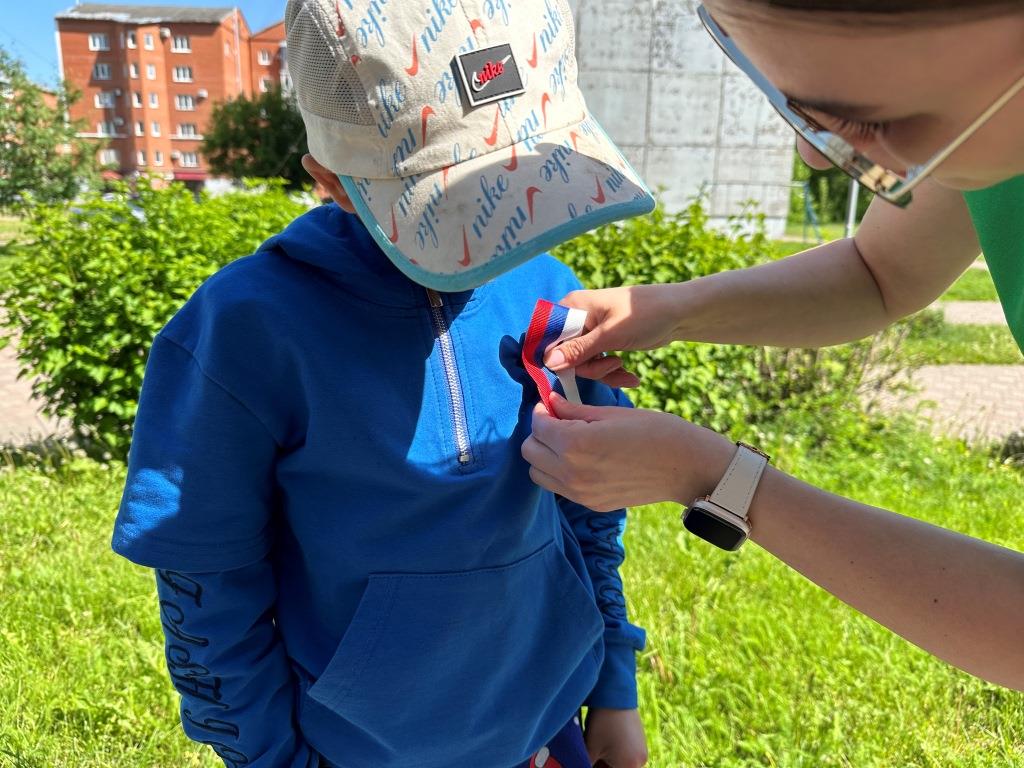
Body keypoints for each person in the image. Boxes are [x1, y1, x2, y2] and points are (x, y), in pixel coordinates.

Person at [110, 0, 657, 765]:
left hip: (546, 731)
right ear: (328, 179)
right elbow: (206, 582)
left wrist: (614, 685)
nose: (494, 231)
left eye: (519, 182)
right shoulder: (246, 331)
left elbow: (593, 510)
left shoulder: (551, 292)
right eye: (450, 204)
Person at [522, 0, 1024, 693]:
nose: (813, 156)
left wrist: (717, 478)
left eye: (866, 122)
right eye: (797, 110)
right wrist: (670, 309)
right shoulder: (987, 105)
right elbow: (881, 273)